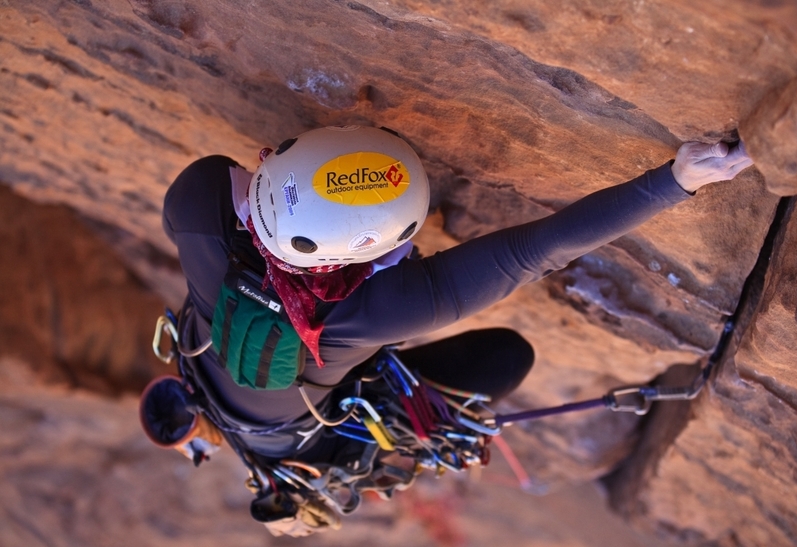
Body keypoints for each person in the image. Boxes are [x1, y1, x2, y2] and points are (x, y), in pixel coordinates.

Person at [151, 125, 752, 533]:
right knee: (505, 358)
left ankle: (233, 445)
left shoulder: (201, 201)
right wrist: (675, 178)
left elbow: (535, 252)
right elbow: (534, 250)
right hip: (280, 423)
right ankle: (268, 478)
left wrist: (681, 178)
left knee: (501, 362)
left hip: (238, 389)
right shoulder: (374, 310)